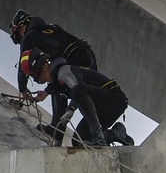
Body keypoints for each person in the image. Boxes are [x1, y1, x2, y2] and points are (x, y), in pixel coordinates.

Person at [10, 11, 99, 144]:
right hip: (88, 57)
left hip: (75, 61)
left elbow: (24, 66)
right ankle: (97, 135)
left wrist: (23, 89)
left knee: (61, 87)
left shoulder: (30, 37)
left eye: (18, 34)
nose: (21, 38)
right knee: (86, 93)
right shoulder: (50, 29)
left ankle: (56, 133)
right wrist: (46, 92)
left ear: (22, 27)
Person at [20, 50, 135, 148]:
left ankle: (98, 136)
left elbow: (80, 89)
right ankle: (115, 134)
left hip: (113, 101)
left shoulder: (63, 72)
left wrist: (71, 108)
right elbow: (58, 98)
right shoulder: (58, 82)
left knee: (79, 92)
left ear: (41, 68)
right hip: (103, 107)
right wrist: (45, 93)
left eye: (33, 75)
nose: (36, 79)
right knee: (79, 142)